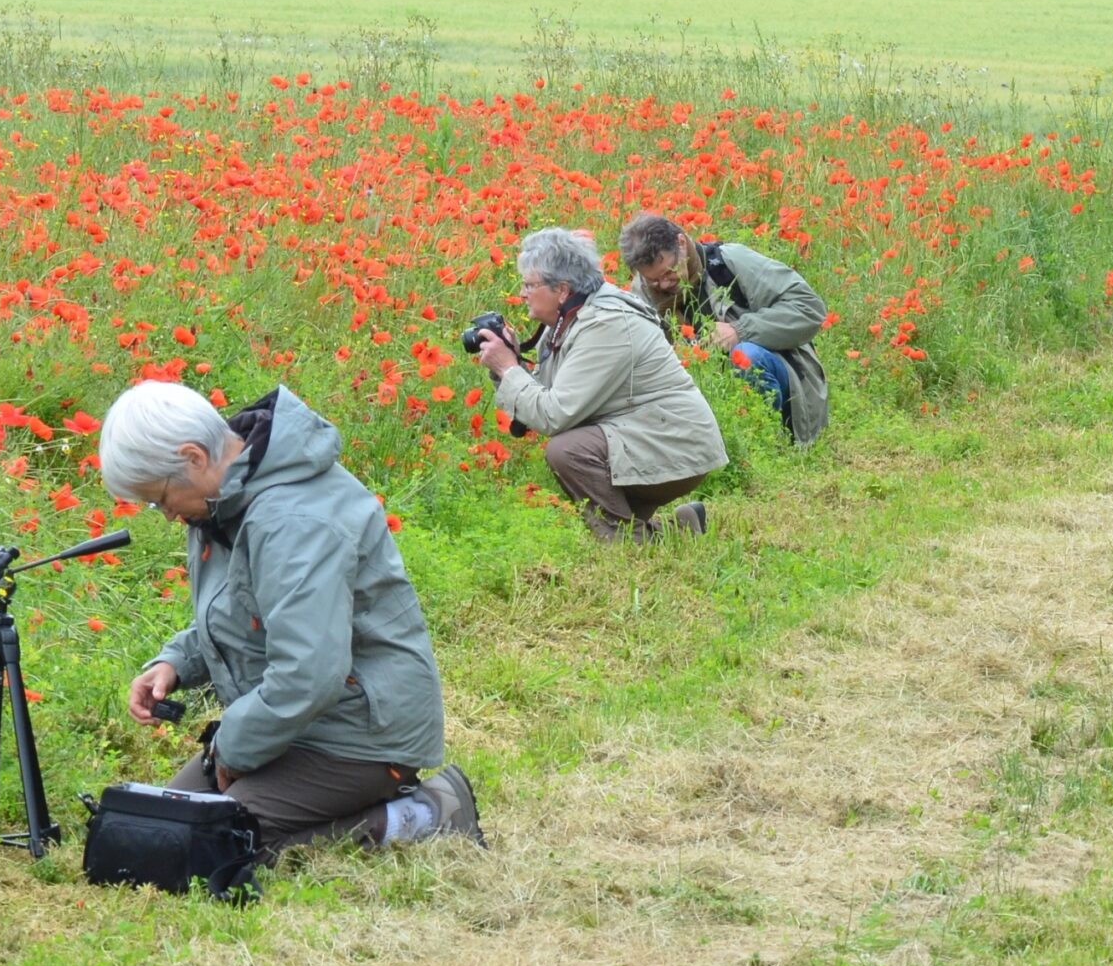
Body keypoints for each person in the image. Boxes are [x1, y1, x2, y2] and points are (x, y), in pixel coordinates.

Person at [99, 381, 482, 857]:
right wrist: (176, 663)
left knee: (211, 848)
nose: (165, 515)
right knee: (157, 827)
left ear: (194, 457)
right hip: (293, 722)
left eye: (159, 498)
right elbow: (243, 613)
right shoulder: (226, 503)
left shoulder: (292, 520)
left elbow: (309, 673)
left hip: (359, 735)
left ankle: (423, 813)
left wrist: (233, 749)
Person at [474, 226, 728, 541]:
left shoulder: (605, 324)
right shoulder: (569, 320)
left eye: (529, 284)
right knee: (571, 447)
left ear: (563, 290)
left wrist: (509, 368)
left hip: (675, 444)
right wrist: (508, 365)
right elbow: (545, 399)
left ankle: (628, 543)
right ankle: (678, 528)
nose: (523, 293)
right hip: (651, 434)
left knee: (567, 451)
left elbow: (554, 415)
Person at [619, 213, 831, 446]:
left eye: (669, 272)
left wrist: (740, 330)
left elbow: (809, 308)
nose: (665, 285)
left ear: (681, 243)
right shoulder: (642, 294)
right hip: (704, 391)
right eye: (654, 280)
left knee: (745, 356)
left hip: (778, 369)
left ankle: (770, 444)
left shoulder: (730, 262)